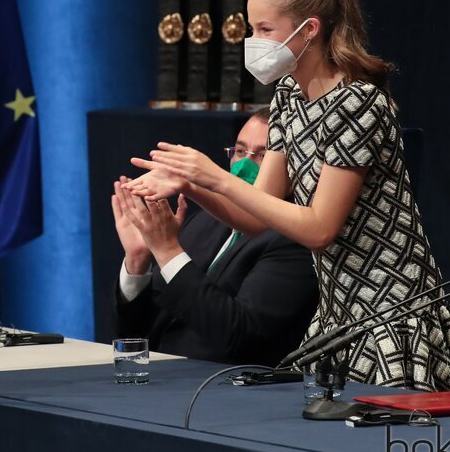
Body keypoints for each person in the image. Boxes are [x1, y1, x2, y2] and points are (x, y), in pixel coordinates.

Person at [126, 0, 450, 392]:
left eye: (265, 30)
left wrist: (214, 176)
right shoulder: (289, 95)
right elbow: (254, 220)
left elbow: (319, 229)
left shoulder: (358, 103)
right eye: (251, 29)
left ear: (309, 29)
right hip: (336, 313)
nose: (253, 42)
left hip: (387, 310)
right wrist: (191, 185)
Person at [112, 110, 317, 366]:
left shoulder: (294, 238)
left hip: (225, 391)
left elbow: (239, 336)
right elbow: (135, 336)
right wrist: (138, 261)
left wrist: (167, 252)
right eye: (241, 152)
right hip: (159, 379)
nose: (245, 164)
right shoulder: (205, 220)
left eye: (263, 155)